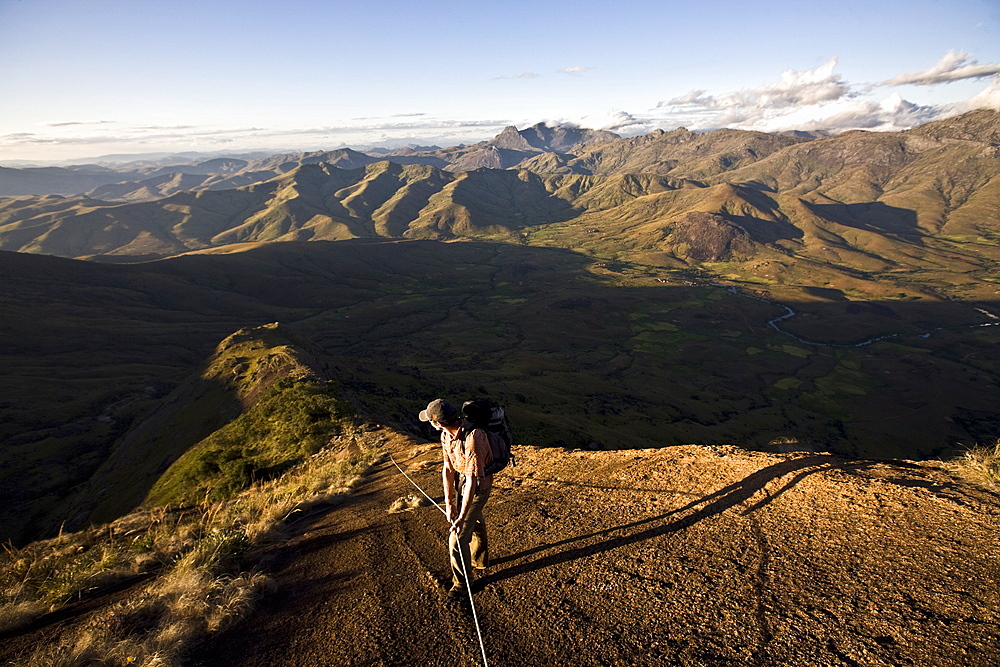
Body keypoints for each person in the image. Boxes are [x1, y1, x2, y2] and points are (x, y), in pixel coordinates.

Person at [419, 398, 493, 599]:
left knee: (457, 537)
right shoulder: (446, 435)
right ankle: (480, 560)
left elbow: (472, 481)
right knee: (475, 521)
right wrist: (449, 502)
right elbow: (448, 468)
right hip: (464, 485)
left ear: (437, 423)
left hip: (478, 488)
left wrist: (460, 516)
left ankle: (462, 584)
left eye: (431, 421)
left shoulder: (473, 438)